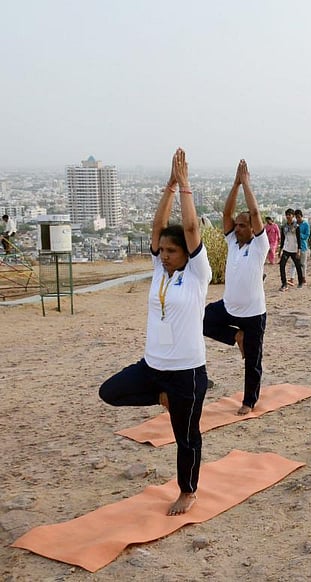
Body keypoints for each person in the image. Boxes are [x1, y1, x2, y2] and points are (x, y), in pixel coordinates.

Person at [99, 148, 211, 516]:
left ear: (186, 253)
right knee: (110, 392)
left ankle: (188, 491)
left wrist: (185, 187)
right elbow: (156, 226)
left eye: (171, 251)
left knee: (186, 437)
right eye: (161, 250)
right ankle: (160, 394)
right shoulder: (161, 272)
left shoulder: (197, 276)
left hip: (186, 372)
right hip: (153, 366)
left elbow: (191, 228)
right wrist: (168, 187)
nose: (163, 255)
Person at [202, 160, 269, 416]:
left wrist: (247, 185)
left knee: (253, 362)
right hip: (229, 308)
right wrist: (235, 184)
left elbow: (254, 212)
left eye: (243, 225)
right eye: (237, 226)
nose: (238, 228)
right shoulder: (232, 243)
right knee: (201, 319)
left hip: (252, 314)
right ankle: (234, 336)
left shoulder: (259, 246)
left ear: (253, 228)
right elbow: (226, 214)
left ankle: (249, 401)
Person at [279, 208, 304, 291]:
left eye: (289, 215)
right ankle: (284, 283)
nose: (288, 216)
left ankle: (300, 282)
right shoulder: (283, 227)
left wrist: (299, 250)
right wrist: (280, 250)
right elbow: (282, 239)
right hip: (286, 249)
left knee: (298, 266)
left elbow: (298, 239)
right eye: (287, 215)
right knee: (282, 265)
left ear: (293, 216)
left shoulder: (296, 227)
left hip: (294, 250)